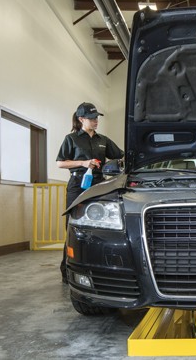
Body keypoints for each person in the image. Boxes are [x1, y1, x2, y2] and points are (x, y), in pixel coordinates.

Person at [56, 102, 124, 283]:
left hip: (99, 184)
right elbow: (60, 163)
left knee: (98, 227)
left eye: (97, 118)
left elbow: (121, 155)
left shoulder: (103, 140)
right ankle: (67, 271)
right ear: (81, 119)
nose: (96, 121)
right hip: (78, 185)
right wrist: (83, 163)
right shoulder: (71, 139)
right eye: (92, 118)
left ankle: (96, 270)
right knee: (73, 226)